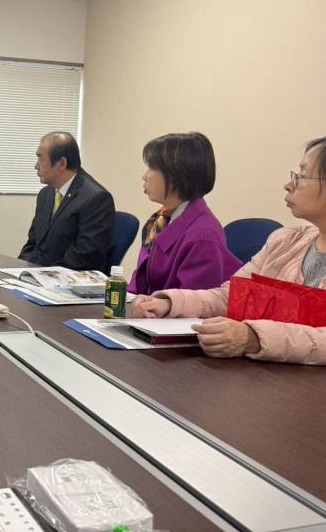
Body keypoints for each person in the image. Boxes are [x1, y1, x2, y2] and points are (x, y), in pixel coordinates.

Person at [131, 137, 326, 365]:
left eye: (302, 176)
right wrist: (169, 303)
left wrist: (253, 337)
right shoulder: (284, 241)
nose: (288, 185)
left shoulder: (202, 233)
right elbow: (231, 295)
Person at [128, 132, 241, 294]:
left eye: (152, 168)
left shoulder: (203, 237)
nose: (144, 176)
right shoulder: (159, 219)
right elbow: (140, 279)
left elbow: (192, 305)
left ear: (176, 176)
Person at [19, 132, 115, 270]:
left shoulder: (96, 198)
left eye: (41, 159)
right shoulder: (45, 194)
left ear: (62, 163)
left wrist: (44, 274)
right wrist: (19, 269)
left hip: (67, 278)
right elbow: (32, 244)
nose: (36, 166)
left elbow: (85, 256)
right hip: (39, 275)